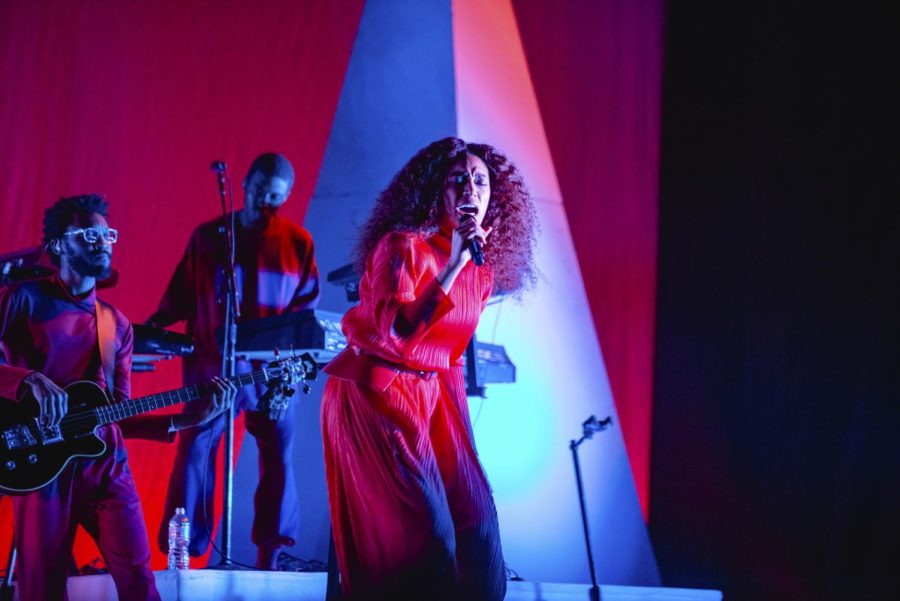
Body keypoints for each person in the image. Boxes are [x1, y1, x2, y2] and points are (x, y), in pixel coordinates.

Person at [321, 137, 538, 601]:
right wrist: (454, 263)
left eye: (480, 181)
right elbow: (396, 333)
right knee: (427, 538)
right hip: (376, 394)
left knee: (478, 528)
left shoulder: (482, 269)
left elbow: (451, 357)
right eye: (457, 179)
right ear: (434, 191)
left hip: (432, 393)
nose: (470, 190)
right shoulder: (402, 247)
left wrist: (459, 441)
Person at [0, 194, 235, 601]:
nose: (103, 241)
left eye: (107, 234)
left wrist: (186, 418)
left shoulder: (117, 325)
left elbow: (117, 412)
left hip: (106, 464)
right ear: (58, 245)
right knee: (42, 588)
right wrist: (27, 380)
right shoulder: (23, 299)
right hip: (41, 462)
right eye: (89, 233)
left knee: (139, 582)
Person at [147, 152, 320, 568]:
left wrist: (299, 359)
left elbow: (305, 314)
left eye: (275, 197)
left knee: (278, 458)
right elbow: (179, 298)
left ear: (287, 196)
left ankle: (271, 556)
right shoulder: (209, 237)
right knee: (194, 454)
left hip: (272, 375)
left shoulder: (298, 243)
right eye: (260, 192)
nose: (265, 203)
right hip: (214, 370)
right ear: (244, 184)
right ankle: (183, 553)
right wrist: (144, 334)